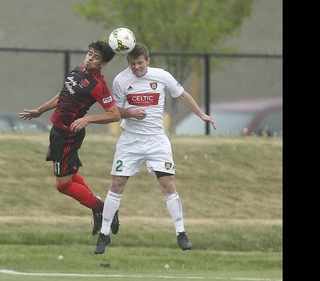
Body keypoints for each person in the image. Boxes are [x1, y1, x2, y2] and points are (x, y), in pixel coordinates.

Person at [94, 42, 217, 254]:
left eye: (140, 63)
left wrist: (201, 114)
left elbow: (183, 94)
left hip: (156, 140)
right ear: (128, 63)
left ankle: (181, 233)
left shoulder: (161, 76)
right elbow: (114, 111)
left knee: (168, 184)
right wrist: (131, 113)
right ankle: (103, 234)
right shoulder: (121, 80)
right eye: (133, 64)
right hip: (131, 140)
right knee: (116, 184)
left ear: (147, 61)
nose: (137, 68)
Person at [18, 41, 121, 236]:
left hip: (68, 135)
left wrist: (88, 119)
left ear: (103, 64)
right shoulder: (78, 70)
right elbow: (62, 95)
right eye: (90, 53)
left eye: (96, 57)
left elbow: (114, 114)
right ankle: (100, 208)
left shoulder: (99, 85)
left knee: (63, 184)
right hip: (58, 130)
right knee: (69, 175)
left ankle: (103, 209)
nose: (90, 58)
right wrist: (39, 110)